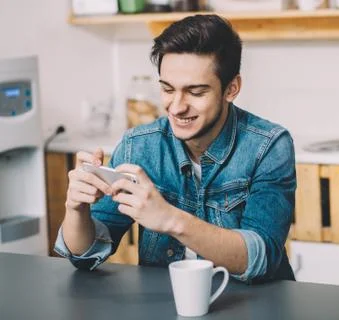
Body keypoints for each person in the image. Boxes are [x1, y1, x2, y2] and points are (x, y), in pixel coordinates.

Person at [54, 14, 296, 284]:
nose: (177, 107)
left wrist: (169, 218)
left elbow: (261, 258)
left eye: (196, 92)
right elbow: (85, 255)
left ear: (231, 89)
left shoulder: (268, 146)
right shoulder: (139, 146)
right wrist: (76, 209)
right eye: (168, 89)